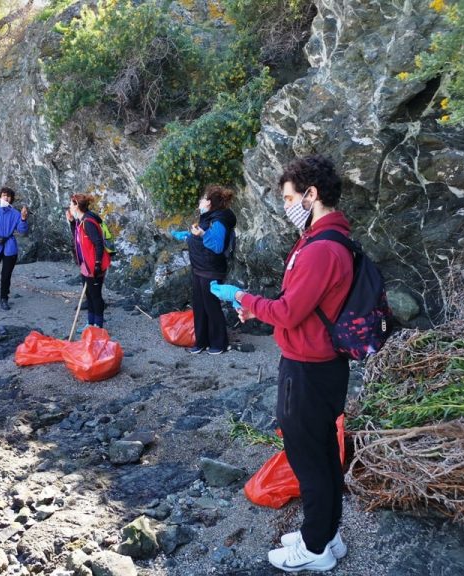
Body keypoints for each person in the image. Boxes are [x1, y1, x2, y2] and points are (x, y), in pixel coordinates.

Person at [211, 155, 353, 572]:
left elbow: (290, 312)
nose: (287, 204)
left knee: (309, 457)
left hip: (308, 367)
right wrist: (258, 310)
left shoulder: (322, 248)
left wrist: (242, 298)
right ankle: (327, 534)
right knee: (323, 453)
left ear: (312, 195)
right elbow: (301, 307)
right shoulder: (327, 240)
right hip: (319, 362)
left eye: (291, 197)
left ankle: (314, 549)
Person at [170, 184, 236, 354]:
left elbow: (217, 246)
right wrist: (187, 235)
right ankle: (202, 342)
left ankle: (219, 343)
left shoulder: (219, 220)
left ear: (208, 202)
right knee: (199, 306)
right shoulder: (207, 218)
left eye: (202, 198)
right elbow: (201, 238)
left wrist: (202, 235)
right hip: (199, 269)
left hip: (211, 270)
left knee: (211, 306)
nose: (199, 201)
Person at [66, 194, 110, 329]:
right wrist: (72, 222)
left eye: (71, 204)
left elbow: (98, 243)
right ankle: (90, 323)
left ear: (77, 206)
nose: (69, 207)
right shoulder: (80, 221)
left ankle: (98, 325)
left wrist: (97, 264)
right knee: (89, 295)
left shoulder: (88, 222)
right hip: (86, 265)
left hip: (94, 266)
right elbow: (77, 239)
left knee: (96, 296)